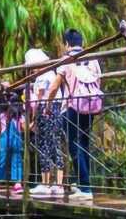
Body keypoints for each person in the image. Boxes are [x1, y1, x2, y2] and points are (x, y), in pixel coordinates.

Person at [44, 29, 102, 200]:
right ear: (81, 42)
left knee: (73, 145)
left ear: (67, 44)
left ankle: (85, 189)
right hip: (90, 105)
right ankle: (85, 185)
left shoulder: (66, 60)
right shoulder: (93, 59)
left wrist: (48, 105)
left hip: (72, 107)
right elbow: (98, 81)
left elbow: (54, 86)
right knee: (84, 144)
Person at [24, 49, 65, 198]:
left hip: (46, 109)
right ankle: (56, 184)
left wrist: (33, 119)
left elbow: (39, 99)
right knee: (54, 143)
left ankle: (47, 183)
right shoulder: (50, 73)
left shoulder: (43, 75)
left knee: (44, 145)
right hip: (55, 108)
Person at [0, 89, 25, 195]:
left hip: (4, 141)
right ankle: (17, 184)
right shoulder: (20, 117)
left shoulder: (2, 116)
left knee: (2, 161)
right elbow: (24, 129)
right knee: (17, 161)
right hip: (17, 141)